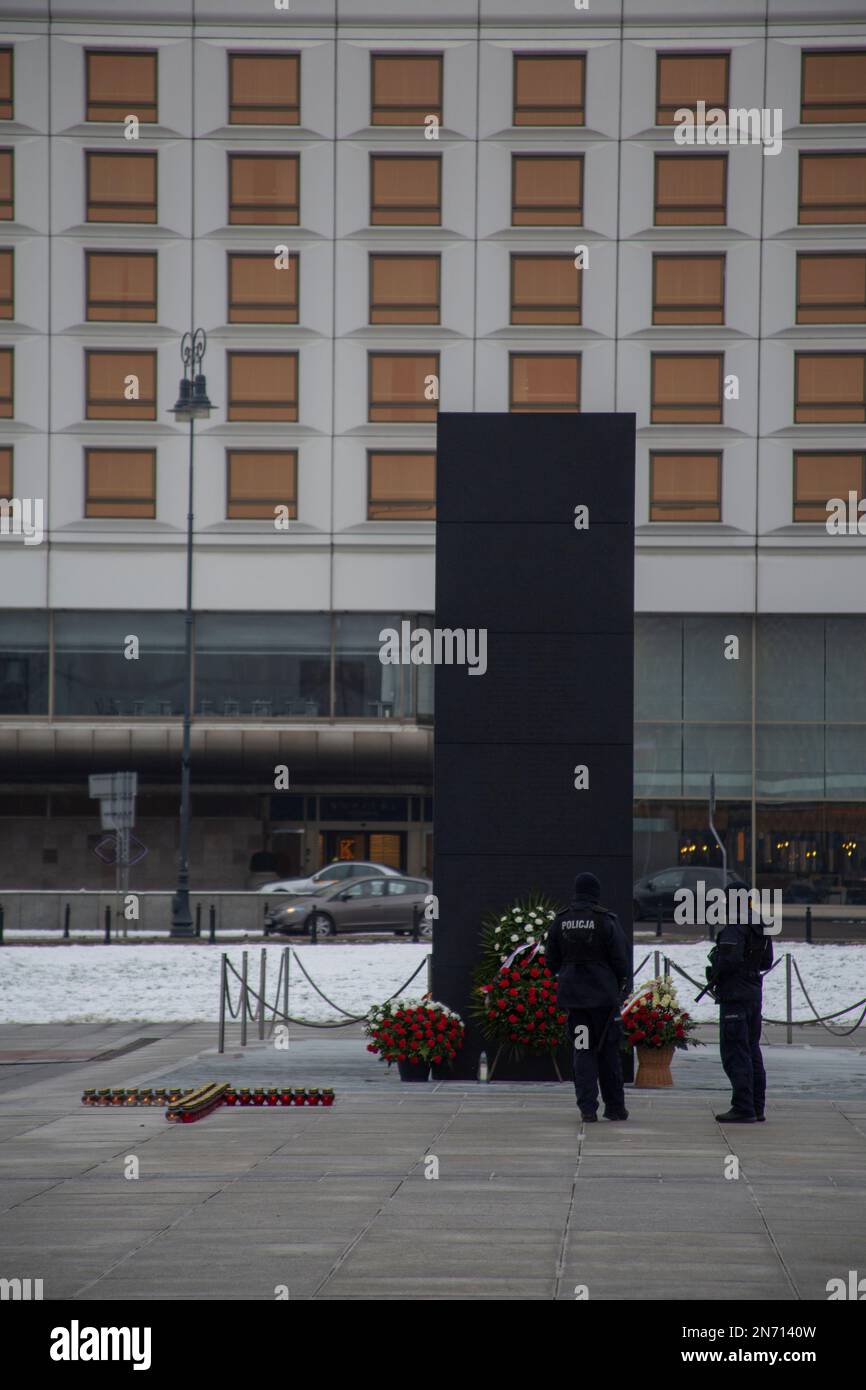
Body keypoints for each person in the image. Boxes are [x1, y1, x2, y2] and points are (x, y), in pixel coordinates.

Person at [545, 872, 631, 1122]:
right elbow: (620, 958)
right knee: (608, 1052)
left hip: (574, 999)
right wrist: (619, 983)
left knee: (582, 1051)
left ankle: (587, 1108)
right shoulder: (606, 920)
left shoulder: (560, 921)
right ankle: (615, 1108)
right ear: (595, 892)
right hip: (603, 999)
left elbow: (551, 961)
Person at [709, 910, 774, 1124]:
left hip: (735, 995)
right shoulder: (760, 924)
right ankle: (756, 1106)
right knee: (752, 1049)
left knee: (736, 1052)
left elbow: (729, 960)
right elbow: (766, 961)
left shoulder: (734, 926)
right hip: (753, 992)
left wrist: (716, 968)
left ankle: (743, 1107)